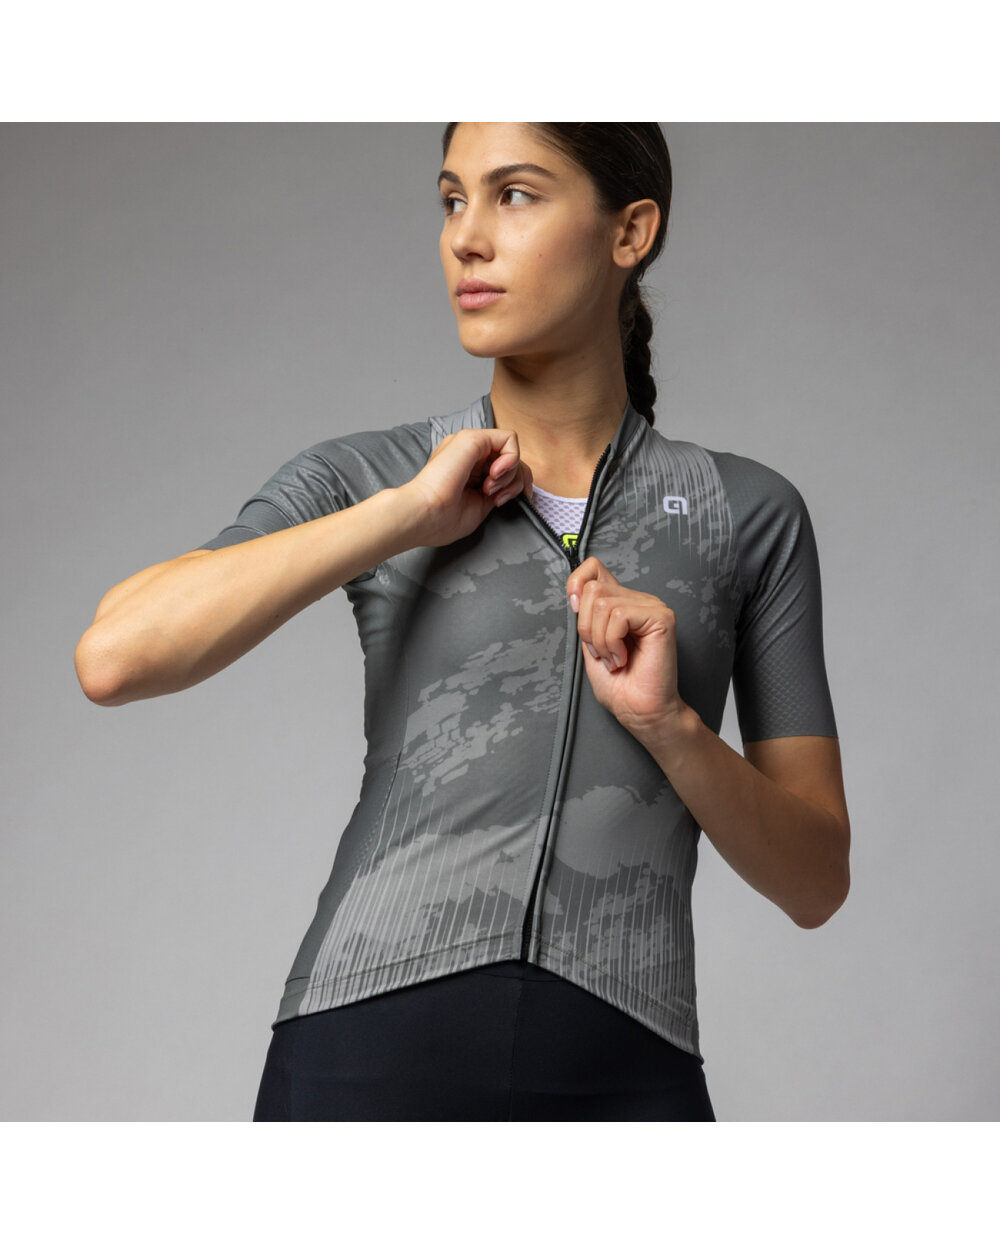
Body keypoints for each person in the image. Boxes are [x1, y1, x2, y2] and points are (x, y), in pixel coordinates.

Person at [74, 122, 851, 1121]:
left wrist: (672, 728)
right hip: (363, 1059)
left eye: (514, 194)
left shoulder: (742, 513)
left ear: (630, 231)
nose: (466, 237)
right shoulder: (371, 475)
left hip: (630, 1068)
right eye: (452, 199)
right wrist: (407, 514)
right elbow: (115, 655)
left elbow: (815, 881)